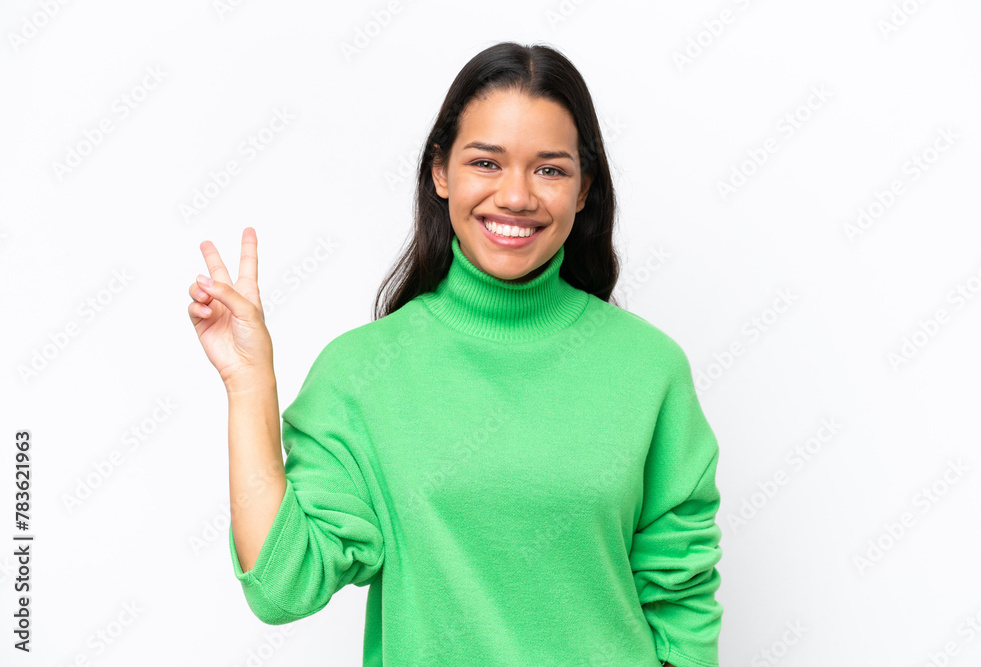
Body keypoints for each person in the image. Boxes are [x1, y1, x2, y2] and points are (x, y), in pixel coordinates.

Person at [189, 41, 723, 667]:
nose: (516, 196)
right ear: (441, 172)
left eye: (550, 170)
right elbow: (283, 587)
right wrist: (248, 383)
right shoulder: (363, 374)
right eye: (486, 163)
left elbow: (681, 604)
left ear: (584, 189)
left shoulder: (649, 369)